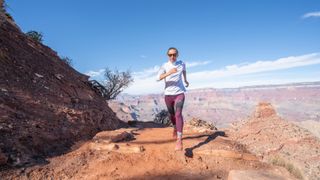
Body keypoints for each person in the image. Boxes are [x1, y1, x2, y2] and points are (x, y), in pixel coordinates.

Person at [157, 47, 189, 151]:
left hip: (179, 93)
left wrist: (185, 80)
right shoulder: (164, 66)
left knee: (178, 114)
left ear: (177, 55)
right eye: (170, 55)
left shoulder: (182, 63)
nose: (172, 57)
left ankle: (179, 140)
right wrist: (169, 73)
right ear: (167, 55)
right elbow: (158, 78)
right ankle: (175, 127)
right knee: (171, 115)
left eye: (174, 54)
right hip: (168, 95)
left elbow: (184, 71)